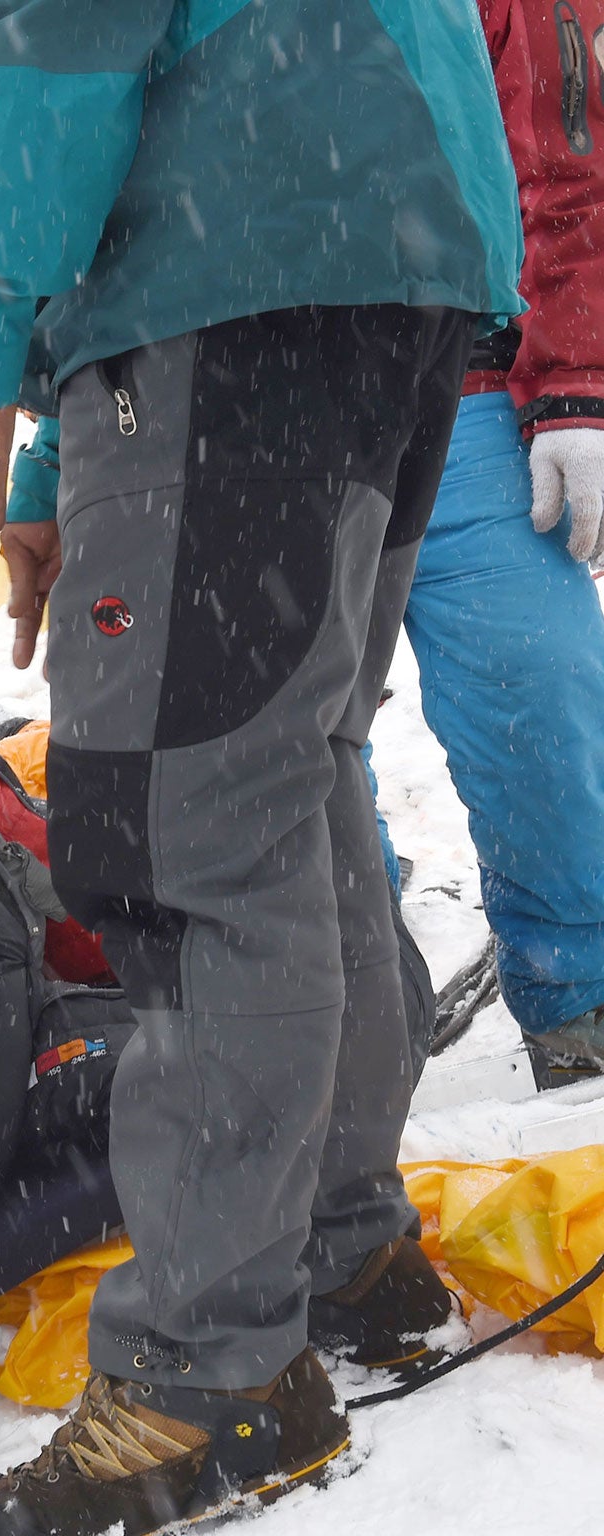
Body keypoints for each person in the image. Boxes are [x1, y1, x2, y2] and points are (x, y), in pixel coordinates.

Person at [0, 3, 522, 1533]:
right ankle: (336, 1244)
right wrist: (62, 458)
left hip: (248, 250)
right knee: (285, 772)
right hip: (365, 230)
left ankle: (218, 1380)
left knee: (184, 832)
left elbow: (40, 25)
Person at [406, 0, 604, 1081]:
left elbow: (569, 162)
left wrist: (574, 386)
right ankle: (343, 1013)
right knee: (273, 749)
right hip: (255, 393)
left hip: (469, 378)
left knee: (540, 684)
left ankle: (580, 1004)